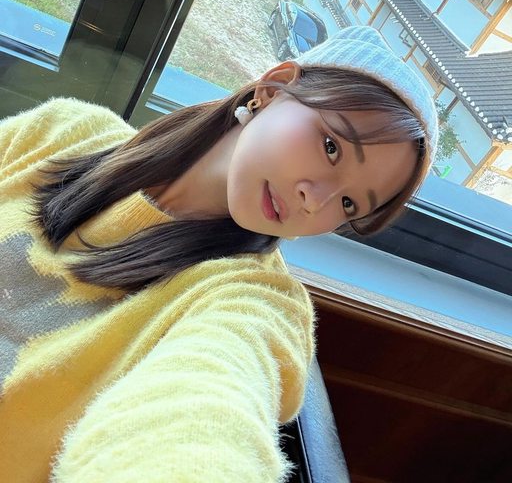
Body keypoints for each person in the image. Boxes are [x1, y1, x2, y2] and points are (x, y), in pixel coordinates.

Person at [0, 26, 438, 482]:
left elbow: (207, 407)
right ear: (272, 89)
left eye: (348, 204)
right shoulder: (59, 132)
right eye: (331, 148)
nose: (316, 202)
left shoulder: (253, 301)